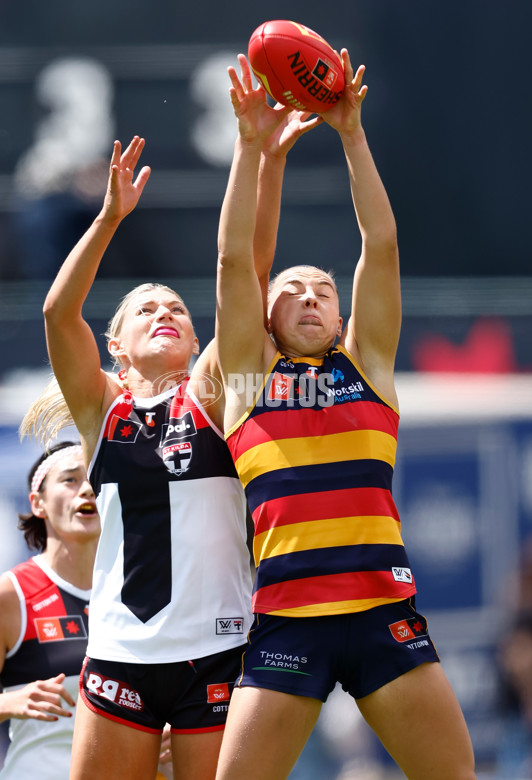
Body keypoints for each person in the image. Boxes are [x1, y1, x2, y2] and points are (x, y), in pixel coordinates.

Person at [20, 115, 319, 780]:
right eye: (145, 309)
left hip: (217, 653)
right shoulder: (104, 409)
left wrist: (260, 157)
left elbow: (247, 267)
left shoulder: (213, 394)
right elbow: (55, 315)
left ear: (193, 340)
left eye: (178, 310)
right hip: (122, 653)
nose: (167, 313)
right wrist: (108, 218)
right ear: (116, 349)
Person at [213, 52, 477, 780]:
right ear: (262, 320)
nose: (307, 296)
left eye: (322, 290)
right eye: (291, 289)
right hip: (287, 622)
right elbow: (237, 261)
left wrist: (351, 133)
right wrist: (247, 147)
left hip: (381, 618)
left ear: (342, 313)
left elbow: (382, 245)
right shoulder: (245, 377)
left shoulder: (371, 368)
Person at [0, 442, 100, 778]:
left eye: (95, 479)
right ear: (38, 503)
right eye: (70, 479)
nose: (87, 489)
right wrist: (8, 703)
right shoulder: (8, 597)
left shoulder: (144, 591)